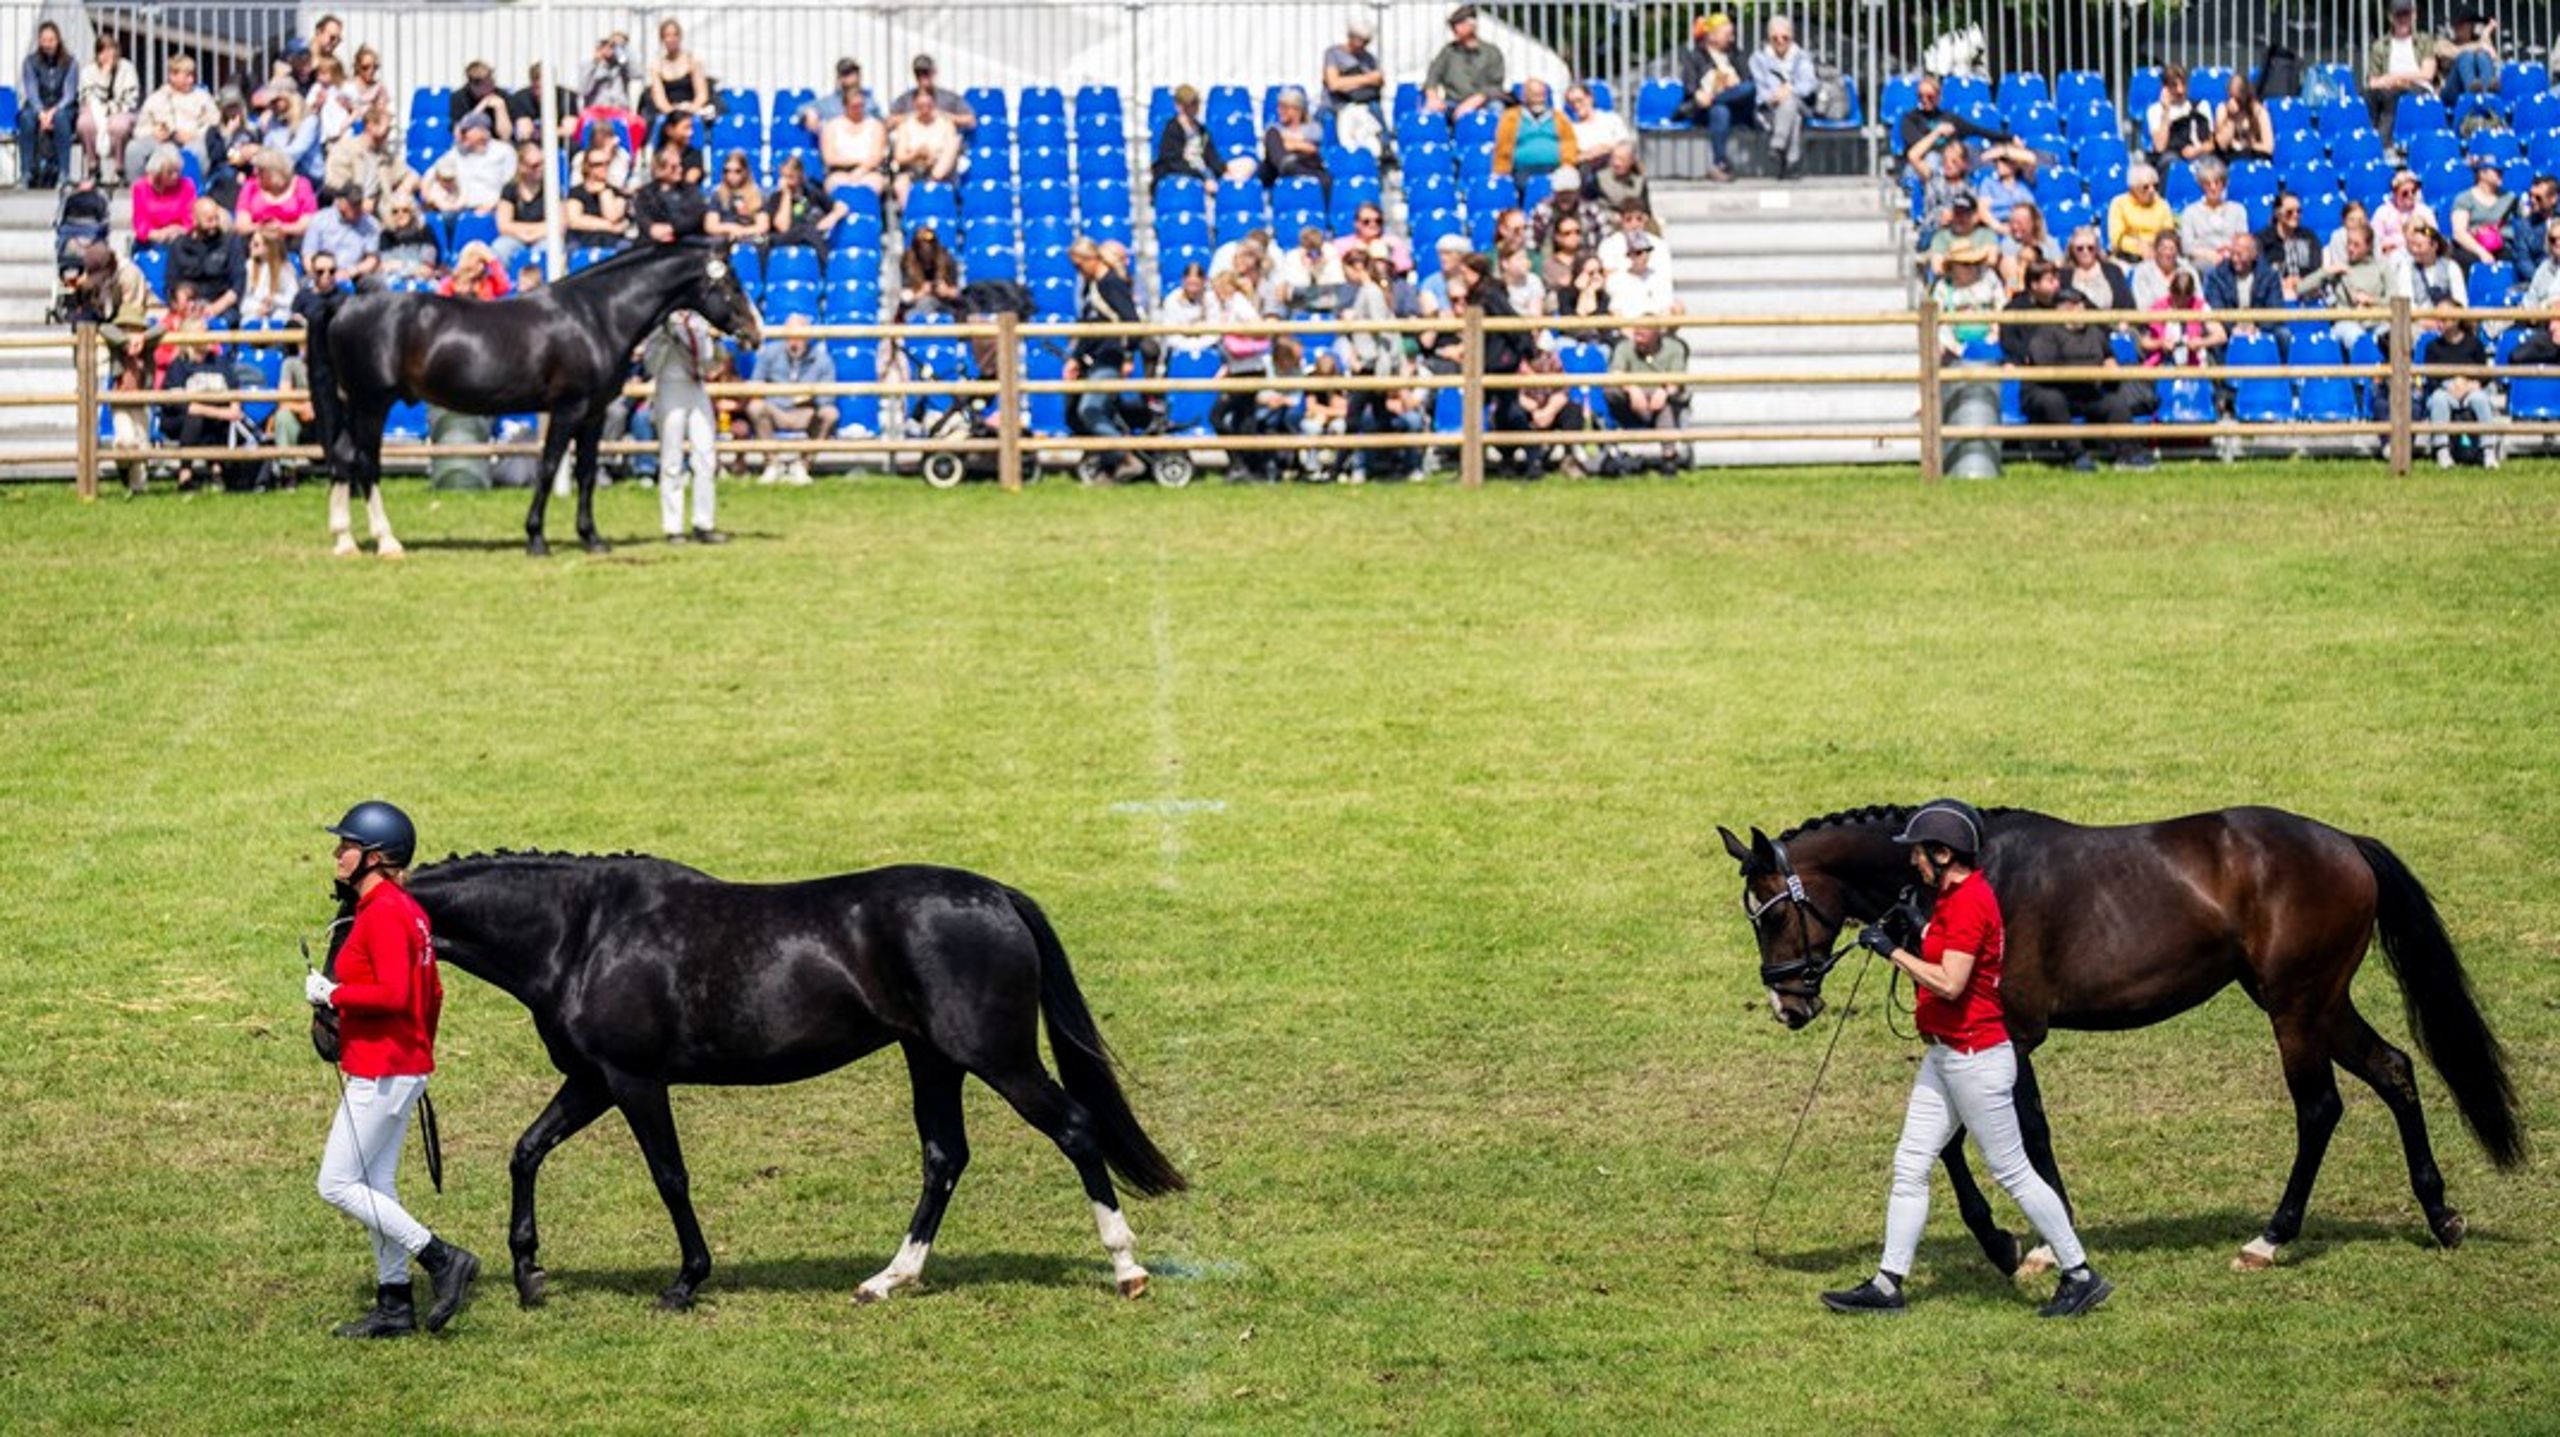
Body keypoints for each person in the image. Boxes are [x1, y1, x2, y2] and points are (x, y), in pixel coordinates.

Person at [1823, 802, 2115, 1318]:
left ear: (1943, 854)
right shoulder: (1956, 897)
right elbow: (1945, 949)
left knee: (2014, 1173)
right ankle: (1888, 1284)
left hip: (1974, 1059)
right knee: (1911, 1163)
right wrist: (1919, 926)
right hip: (1946, 1055)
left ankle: (2080, 1273)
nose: (1913, 862)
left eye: (1918, 853)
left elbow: (1950, 982)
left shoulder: (1967, 903)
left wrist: (1891, 950)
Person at [306, 801, 482, 1338]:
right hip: (400, 1066)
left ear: (375, 857)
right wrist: (418, 1053)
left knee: (335, 1184)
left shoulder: (383, 914)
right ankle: (395, 1303)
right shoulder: (406, 910)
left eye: (347, 846)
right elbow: (432, 995)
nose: (337, 854)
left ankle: (441, 1258)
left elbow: (396, 994)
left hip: (384, 1071)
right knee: (376, 1185)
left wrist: (333, 992)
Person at [2017, 287, 2139, 468]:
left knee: (2115, 403)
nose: (2078, 311)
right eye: (2071, 306)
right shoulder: (2045, 332)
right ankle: (2077, 455)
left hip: (2085, 391)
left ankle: (2128, 454)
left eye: (2081, 306)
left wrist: (2110, 365)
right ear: (2058, 309)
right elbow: (2046, 370)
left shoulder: (2094, 332)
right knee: (2053, 400)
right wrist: (2089, 371)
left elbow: (2108, 357)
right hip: (2047, 390)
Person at [640, 309, 726, 541]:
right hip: (670, 386)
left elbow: (710, 363)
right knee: (671, 459)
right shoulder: (662, 322)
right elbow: (650, 365)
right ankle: (673, 526)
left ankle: (704, 522)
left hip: (696, 387)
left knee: (706, 456)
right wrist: (665, 340)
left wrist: (713, 343)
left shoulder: (700, 321)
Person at [1066, 237, 1144, 481]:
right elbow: (1090, 328)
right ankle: (1110, 467)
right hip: (1096, 357)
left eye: (1079, 266)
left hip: (1111, 356)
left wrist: (1128, 354)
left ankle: (1124, 457)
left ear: (1092, 260)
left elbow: (1132, 322)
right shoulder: (1092, 287)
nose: (1078, 272)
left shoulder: (1111, 284)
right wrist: (1076, 358)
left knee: (1090, 409)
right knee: (1096, 411)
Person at [745, 316, 836, 485]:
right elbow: (755, 382)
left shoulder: (823, 360)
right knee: (755, 407)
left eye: (799, 337)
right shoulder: (769, 353)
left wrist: (809, 395)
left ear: (808, 337)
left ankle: (803, 466)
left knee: (829, 414)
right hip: (776, 408)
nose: (794, 343)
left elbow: (827, 399)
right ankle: (772, 464)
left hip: (805, 412)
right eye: (790, 337)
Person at [1893, 72, 2008, 190]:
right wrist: (1937, 132)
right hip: (1919, 168)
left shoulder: (1949, 118)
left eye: (1930, 96)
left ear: (1938, 97)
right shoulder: (1911, 118)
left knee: (1970, 150)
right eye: (1920, 96)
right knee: (1933, 157)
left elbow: (1979, 131)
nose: (1924, 100)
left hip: (1948, 165)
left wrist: (2010, 138)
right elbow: (1916, 151)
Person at [1679, 13, 1753, 183]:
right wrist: (1699, 93)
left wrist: (1735, 82)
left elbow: (1747, 81)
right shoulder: (1695, 57)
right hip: (1706, 109)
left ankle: (1717, 99)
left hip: (1735, 104)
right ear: (1711, 36)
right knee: (1720, 110)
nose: (1732, 38)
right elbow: (1689, 85)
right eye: (1728, 34)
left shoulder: (1736, 55)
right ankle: (1719, 164)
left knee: (1749, 89)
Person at [1606, 324, 1689, 472]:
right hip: (1629, 403)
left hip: (1661, 399)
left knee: (1667, 403)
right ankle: (1669, 456)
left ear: (1656, 335)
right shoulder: (1625, 347)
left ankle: (1668, 456)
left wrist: (1664, 392)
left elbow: (1678, 378)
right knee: (1610, 389)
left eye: (1642, 336)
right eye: (1636, 334)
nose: (1637, 339)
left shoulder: (1675, 348)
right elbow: (1615, 373)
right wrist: (1631, 388)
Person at [2423, 316, 2499, 467]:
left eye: (2444, 318)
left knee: (2480, 399)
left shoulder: (2475, 344)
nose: (2440, 321)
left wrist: (2471, 384)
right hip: (2445, 388)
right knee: (2438, 399)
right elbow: (2431, 378)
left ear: (2456, 320)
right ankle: (2442, 450)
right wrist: (2448, 386)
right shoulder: (2432, 347)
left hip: (2470, 387)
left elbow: (2485, 374)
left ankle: (2488, 449)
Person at [131, 53, 220, 179]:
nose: (191, 80)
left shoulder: (202, 97)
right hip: (162, 143)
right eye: (187, 76)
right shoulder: (156, 98)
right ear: (172, 76)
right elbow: (139, 130)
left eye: (192, 75)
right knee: (134, 149)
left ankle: (194, 191)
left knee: (199, 152)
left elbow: (215, 124)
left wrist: (195, 135)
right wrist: (153, 133)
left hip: (192, 142)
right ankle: (139, 190)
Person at [1749, 17, 1817, 181]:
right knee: (1794, 115)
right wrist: (1775, 96)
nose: (1780, 41)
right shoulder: (1758, 59)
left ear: (1791, 37)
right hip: (1769, 108)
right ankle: (1791, 164)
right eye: (1775, 38)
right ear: (1769, 38)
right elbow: (1759, 88)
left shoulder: (1802, 57)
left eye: (1785, 37)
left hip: (1800, 102)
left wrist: (1790, 90)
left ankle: (1778, 144)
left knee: (1790, 102)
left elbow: (1809, 84)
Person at [1153, 84, 1252, 195]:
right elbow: (1173, 162)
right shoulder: (1172, 129)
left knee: (1246, 164)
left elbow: (1211, 156)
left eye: (1195, 104)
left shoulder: (1201, 130)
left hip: (1203, 171)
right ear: (1178, 106)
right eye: (1188, 105)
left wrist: (1225, 170)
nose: (1192, 109)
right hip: (1184, 173)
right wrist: (1202, 179)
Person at [323, 99, 418, 211]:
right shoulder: (345, 149)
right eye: (386, 127)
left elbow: (412, 176)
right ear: (370, 126)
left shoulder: (384, 155)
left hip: (380, 212)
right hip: (350, 211)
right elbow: (335, 184)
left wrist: (401, 193)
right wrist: (359, 202)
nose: (389, 131)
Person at [2366, 0, 2439, 144]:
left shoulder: (2424, 41)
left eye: (2406, 14)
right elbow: (2372, 82)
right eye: (2398, 15)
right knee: (2370, 96)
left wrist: (2394, 77)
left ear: (2414, 16)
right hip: (2389, 89)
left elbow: (2428, 74)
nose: (2403, 19)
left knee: (2394, 98)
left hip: (2418, 88)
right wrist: (2391, 82)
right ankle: (2369, 140)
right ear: (2390, 17)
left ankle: (2382, 145)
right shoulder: (2380, 46)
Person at [77, 33, 140, 185]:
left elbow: (131, 99)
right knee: (85, 123)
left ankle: (119, 168)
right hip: (95, 110)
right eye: (102, 51)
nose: (107, 55)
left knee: (119, 126)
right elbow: (88, 98)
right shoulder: (88, 72)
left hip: (121, 110)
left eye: (110, 49)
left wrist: (111, 109)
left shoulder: (127, 68)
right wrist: (104, 77)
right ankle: (93, 167)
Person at [168, 199, 245, 322]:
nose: (214, 224)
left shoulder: (230, 243)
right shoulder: (178, 246)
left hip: (221, 308)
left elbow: (238, 284)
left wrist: (215, 308)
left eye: (216, 218)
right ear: (195, 220)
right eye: (209, 220)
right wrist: (181, 300)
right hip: (188, 308)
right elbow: (171, 284)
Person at [1320, 16, 1388, 157]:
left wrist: (1349, 82)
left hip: (1364, 104)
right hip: (1337, 104)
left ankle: (1386, 151)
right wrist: (1366, 79)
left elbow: (1378, 81)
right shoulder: (1333, 54)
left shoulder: (1369, 59)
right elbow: (1334, 84)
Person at [20, 22, 75, 189]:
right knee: (26, 119)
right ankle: (26, 172)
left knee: (61, 118)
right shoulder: (30, 62)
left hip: (62, 107)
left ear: (58, 40)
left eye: (51, 40)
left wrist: (53, 111)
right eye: (44, 40)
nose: (48, 44)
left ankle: (64, 173)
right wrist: (41, 112)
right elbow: (31, 90)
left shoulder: (70, 62)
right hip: (38, 106)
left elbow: (70, 93)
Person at [422, 113, 512, 215]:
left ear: (482, 131)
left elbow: (512, 185)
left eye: (465, 131)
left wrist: (495, 204)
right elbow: (430, 174)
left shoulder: (503, 151)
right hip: (460, 209)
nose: (460, 135)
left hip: (493, 209)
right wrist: (429, 198)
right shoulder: (456, 152)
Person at [1426, 4, 1507, 116]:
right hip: (1453, 102)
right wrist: (1433, 97)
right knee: (1431, 113)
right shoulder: (1448, 52)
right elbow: (1432, 76)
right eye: (1454, 25)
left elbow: (1495, 86)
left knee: (1497, 108)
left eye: (1460, 23)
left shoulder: (1491, 52)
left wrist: (1471, 103)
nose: (1456, 29)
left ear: (1473, 25)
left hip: (1483, 102)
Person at [887, 86, 960, 206]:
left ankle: (934, 180)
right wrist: (916, 154)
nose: (925, 110)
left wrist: (933, 157)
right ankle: (911, 219)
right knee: (900, 185)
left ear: (934, 104)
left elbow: (950, 152)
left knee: (954, 143)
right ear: (915, 105)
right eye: (921, 106)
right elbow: (899, 157)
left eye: (928, 106)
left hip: (941, 172)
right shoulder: (905, 125)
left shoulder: (946, 124)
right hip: (913, 170)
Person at [1931, 241, 2005, 359]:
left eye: (1975, 263)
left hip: (1989, 336)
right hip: (1954, 340)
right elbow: (1935, 316)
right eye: (1965, 264)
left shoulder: (1989, 278)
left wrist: (1995, 331)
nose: (1971, 267)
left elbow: (2001, 305)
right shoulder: (1943, 286)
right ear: (1953, 266)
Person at [1492, 77, 1575, 181]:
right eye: (1534, 95)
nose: (1538, 100)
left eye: (1541, 95)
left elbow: (1569, 142)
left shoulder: (1559, 118)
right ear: (1524, 96)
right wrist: (1501, 171)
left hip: (1556, 168)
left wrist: (1567, 164)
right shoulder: (1510, 118)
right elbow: (1503, 146)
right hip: (1522, 170)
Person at [2140, 268, 2224, 368]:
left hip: (2194, 365)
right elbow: (2144, 341)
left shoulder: (2201, 306)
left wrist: (2201, 342)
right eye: (2177, 297)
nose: (2180, 303)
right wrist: (2160, 343)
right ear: (2171, 292)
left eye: (2185, 299)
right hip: (2163, 363)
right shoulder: (2158, 307)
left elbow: (2221, 336)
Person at [2177, 157, 2250, 269]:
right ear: (2202, 186)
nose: (2213, 187)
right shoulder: (2190, 212)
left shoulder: (2238, 210)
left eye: (2217, 182)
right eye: (2207, 183)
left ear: (2224, 184)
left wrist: (2227, 253)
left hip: (2232, 257)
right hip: (2202, 259)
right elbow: (2187, 246)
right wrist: (2209, 254)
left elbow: (2243, 240)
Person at [304, 185, 383, 286]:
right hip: (322, 272)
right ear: (340, 203)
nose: (357, 208)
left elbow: (372, 259)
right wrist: (321, 274)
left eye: (358, 203)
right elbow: (308, 254)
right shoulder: (320, 219)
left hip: (355, 274)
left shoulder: (371, 224)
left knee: (375, 284)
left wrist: (353, 271)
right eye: (352, 204)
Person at [763, 154, 843, 251]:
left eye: (791, 177)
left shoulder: (811, 193)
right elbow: (783, 228)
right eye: (784, 177)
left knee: (809, 232)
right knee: (805, 230)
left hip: (810, 239)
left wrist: (829, 220)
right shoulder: (776, 198)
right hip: (784, 241)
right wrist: (786, 195)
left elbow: (842, 207)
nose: (787, 182)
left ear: (800, 175)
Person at [237, 146, 319, 242]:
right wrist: (263, 228)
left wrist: (282, 229)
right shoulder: (251, 185)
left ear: (273, 171)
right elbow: (241, 225)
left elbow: (308, 224)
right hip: (258, 239)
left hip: (292, 241)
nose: (255, 172)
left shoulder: (301, 185)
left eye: (260, 170)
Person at [820, 83, 888, 196]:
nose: (858, 110)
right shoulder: (831, 126)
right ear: (845, 106)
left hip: (869, 172)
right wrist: (858, 161)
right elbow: (830, 158)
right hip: (839, 172)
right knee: (839, 185)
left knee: (870, 186)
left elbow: (876, 157)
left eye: (861, 105)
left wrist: (860, 171)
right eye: (854, 106)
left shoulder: (876, 125)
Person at [491, 143, 550, 273]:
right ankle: (503, 287)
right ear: (522, 167)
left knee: (548, 248)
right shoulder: (510, 189)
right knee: (500, 247)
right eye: (534, 166)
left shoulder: (551, 188)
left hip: (543, 237)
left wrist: (531, 233)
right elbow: (504, 225)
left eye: (542, 164)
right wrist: (526, 234)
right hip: (515, 237)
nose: (540, 169)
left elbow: (558, 224)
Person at [1260, 87, 1329, 199]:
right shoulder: (1274, 129)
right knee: (1272, 134)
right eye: (1279, 107)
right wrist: (1300, 145)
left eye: (1285, 108)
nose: (1280, 111)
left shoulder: (1313, 128)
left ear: (1298, 110)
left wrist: (1285, 143)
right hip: (1277, 170)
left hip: (1304, 166)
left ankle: (1288, 166)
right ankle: (1285, 164)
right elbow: (1273, 146)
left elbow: (1312, 149)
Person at [632, 143, 708, 243]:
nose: (680, 170)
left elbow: (696, 215)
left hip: (684, 240)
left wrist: (672, 228)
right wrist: (652, 228)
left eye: (680, 165)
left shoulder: (690, 190)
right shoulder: (645, 194)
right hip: (652, 242)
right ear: (660, 170)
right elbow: (642, 216)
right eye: (673, 167)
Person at [643, 18, 716, 122]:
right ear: (662, 39)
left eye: (675, 35)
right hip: (669, 114)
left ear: (680, 37)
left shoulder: (693, 61)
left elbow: (702, 94)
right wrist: (674, 115)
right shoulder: (656, 66)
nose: (671, 39)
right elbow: (660, 99)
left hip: (692, 109)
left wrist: (689, 110)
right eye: (667, 35)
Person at [2144, 64, 2214, 171]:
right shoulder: (2155, 110)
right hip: (2172, 155)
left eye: (2183, 84)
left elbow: (2211, 144)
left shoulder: (2202, 106)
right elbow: (2159, 147)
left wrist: (2197, 150)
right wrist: (2166, 111)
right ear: (2165, 88)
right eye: (2174, 85)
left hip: (2199, 153)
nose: (2180, 90)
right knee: (2171, 163)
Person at [2256, 192, 2326, 298]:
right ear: (2277, 213)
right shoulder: (2263, 239)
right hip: (2274, 293)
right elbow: (2260, 271)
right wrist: (2282, 282)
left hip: (2306, 290)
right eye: (2289, 212)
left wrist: (2301, 281)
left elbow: (2316, 268)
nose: (2295, 215)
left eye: (2299, 211)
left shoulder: (2309, 237)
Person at [2449, 160, 2514, 269]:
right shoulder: (2465, 199)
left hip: (2501, 246)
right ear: (2482, 173)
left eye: (2501, 171)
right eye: (2496, 171)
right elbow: (2459, 233)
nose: (2501, 174)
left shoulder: (2509, 197)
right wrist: (2481, 252)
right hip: (2473, 248)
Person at [889, 55, 976, 135]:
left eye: (926, 72)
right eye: (918, 73)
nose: (922, 77)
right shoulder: (904, 100)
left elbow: (970, 120)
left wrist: (943, 116)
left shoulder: (949, 98)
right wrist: (916, 115)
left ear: (933, 72)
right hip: (912, 144)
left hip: (941, 142)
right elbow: (889, 122)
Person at [130, 147, 199, 248]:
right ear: (158, 173)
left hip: (180, 240)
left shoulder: (187, 185)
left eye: (177, 171)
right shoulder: (140, 187)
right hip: (150, 241)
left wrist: (179, 230)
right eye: (170, 173)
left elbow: (190, 217)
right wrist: (155, 234)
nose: (175, 176)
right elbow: (140, 221)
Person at [1562, 84, 1630, 186]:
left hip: (1612, 162)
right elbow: (1573, 156)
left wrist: (1601, 149)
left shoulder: (1611, 119)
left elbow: (1624, 143)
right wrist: (1591, 153)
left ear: (1590, 99)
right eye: (1571, 103)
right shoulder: (1572, 128)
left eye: (1579, 100)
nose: (1576, 105)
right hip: (1587, 168)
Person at [566, 146, 633, 249]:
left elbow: (613, 217)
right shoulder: (576, 192)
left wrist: (604, 192)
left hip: (611, 240)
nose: (604, 167)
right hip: (582, 239)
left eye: (607, 163)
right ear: (587, 167)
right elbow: (575, 221)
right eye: (598, 164)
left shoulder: (616, 192)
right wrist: (610, 227)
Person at [2107, 164, 2175, 262]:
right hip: (2128, 256)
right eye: (2145, 187)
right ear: (2132, 189)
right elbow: (2117, 239)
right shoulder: (2119, 203)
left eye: (2155, 186)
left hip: (2159, 253)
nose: (2152, 191)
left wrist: (2155, 248)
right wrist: (2139, 248)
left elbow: (2168, 234)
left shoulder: (2162, 204)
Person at [2202, 231, 2271, 327]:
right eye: (2232, 254)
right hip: (2228, 330)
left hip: (2260, 330)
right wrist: (2235, 328)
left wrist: (2256, 327)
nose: (2234, 259)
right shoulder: (2216, 276)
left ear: (2253, 255)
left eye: (2239, 254)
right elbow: (2217, 310)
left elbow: (2274, 308)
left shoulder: (2269, 276)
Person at [2062, 225, 2134, 309]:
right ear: (2072, 250)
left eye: (2090, 248)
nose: (2085, 252)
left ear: (2096, 249)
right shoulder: (2064, 275)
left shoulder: (2113, 271)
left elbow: (2126, 303)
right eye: (2080, 248)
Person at [1607, 228, 1676, 317]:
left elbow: (1666, 308)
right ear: (1630, 255)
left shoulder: (1660, 278)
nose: (1644, 256)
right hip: (1629, 327)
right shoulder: (1616, 280)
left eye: (1647, 251)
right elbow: (1615, 311)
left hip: (1656, 327)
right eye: (1638, 252)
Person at [374, 194, 442, 283]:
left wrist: (400, 265)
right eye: (395, 211)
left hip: (422, 281)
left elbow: (427, 268)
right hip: (394, 281)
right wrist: (414, 267)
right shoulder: (386, 234)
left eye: (405, 210)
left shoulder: (425, 231)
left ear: (412, 212)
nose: (400, 214)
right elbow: (386, 266)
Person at [508, 61, 578, 148]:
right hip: (532, 143)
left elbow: (569, 130)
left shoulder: (567, 97)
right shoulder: (520, 98)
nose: (541, 92)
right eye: (537, 87)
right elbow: (525, 132)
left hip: (560, 143)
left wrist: (542, 134)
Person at [900, 224, 961, 319]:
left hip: (944, 304)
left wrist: (946, 291)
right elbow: (904, 297)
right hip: (917, 306)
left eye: (931, 244)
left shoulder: (947, 259)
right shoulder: (907, 262)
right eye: (922, 245)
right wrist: (921, 292)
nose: (927, 248)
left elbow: (958, 292)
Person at [1970, 142, 2038, 227]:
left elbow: (2031, 158)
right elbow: (1983, 211)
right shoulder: (1989, 184)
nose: (1999, 164)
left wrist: (2004, 151)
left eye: (2004, 160)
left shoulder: (2025, 181)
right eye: (1996, 161)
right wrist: (1999, 227)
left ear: (2016, 164)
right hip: (1999, 229)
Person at [242, 227, 301, 322]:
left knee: (280, 318)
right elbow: (243, 298)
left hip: (279, 309)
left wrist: (274, 299)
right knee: (250, 321)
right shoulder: (248, 266)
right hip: (255, 311)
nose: (250, 246)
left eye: (256, 244)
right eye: (251, 242)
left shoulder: (284, 268)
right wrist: (257, 308)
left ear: (268, 248)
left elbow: (294, 298)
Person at [2130, 228, 2198, 310]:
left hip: (2186, 319)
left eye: (2172, 248)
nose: (2168, 253)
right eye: (2164, 248)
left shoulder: (2188, 270)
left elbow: (2198, 300)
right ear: (2156, 249)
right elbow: (2143, 306)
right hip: (2152, 320)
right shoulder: (2143, 271)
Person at [1998, 199, 2058, 291]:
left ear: (2033, 222)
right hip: (2018, 287)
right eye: (2012, 222)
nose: (2015, 227)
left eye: (2020, 223)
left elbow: (2058, 266)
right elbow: (2009, 273)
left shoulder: (2049, 243)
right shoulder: (2008, 244)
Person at [707, 150, 766, 242]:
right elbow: (710, 225)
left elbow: (763, 226)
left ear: (745, 172)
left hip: (750, 238)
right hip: (725, 239)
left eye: (737, 171)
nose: (731, 175)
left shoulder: (757, 195)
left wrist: (742, 231)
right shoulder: (718, 195)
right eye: (727, 171)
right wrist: (731, 228)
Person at [2213, 74, 2273, 163]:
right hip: (2230, 159)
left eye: (2238, 99)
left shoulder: (2260, 112)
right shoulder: (2222, 109)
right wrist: (2231, 118)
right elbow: (2222, 145)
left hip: (2253, 157)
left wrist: (2246, 146)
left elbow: (2268, 147)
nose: (2234, 102)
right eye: (2231, 96)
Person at [2443, 6, 2499, 99]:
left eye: (2463, 24)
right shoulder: (2445, 43)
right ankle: (2473, 93)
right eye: (2456, 24)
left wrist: (2485, 33)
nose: (2458, 27)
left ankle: (2486, 96)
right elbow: (2448, 53)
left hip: (2480, 86)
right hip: (2452, 91)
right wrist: (2479, 46)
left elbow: (2492, 56)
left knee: (2483, 57)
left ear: (2471, 25)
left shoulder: (2480, 43)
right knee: (2466, 57)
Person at [449, 59, 510, 132]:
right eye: (488, 84)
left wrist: (500, 108)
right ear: (474, 86)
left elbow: (506, 136)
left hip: (494, 141)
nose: (493, 86)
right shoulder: (458, 98)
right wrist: (482, 105)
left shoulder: (502, 95)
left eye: (493, 82)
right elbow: (460, 131)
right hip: (468, 140)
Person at [439, 241, 511, 300]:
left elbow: (504, 287)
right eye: (470, 256)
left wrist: (492, 260)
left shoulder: (487, 283)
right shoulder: (450, 282)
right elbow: (444, 304)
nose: (471, 262)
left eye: (480, 261)